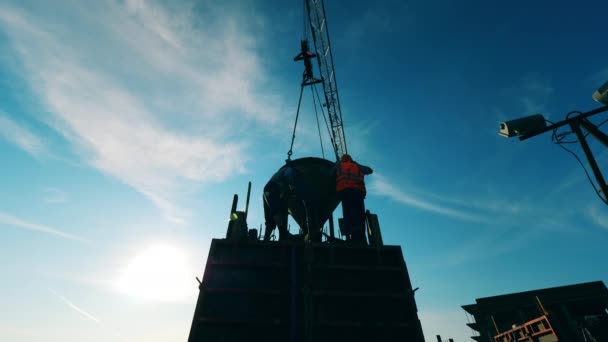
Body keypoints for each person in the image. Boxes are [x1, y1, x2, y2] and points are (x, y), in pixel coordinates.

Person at [335, 154, 373, 244]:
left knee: (348, 215)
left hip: (346, 192)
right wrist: (357, 164)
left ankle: (351, 237)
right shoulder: (357, 166)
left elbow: (329, 173)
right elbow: (369, 170)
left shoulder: (339, 166)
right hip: (358, 193)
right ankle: (361, 238)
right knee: (360, 215)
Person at [263, 164, 297, 241]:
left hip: (267, 190)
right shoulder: (289, 169)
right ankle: (283, 233)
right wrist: (293, 188)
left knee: (270, 216)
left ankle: (266, 238)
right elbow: (289, 177)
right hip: (272, 188)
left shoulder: (279, 174)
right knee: (275, 211)